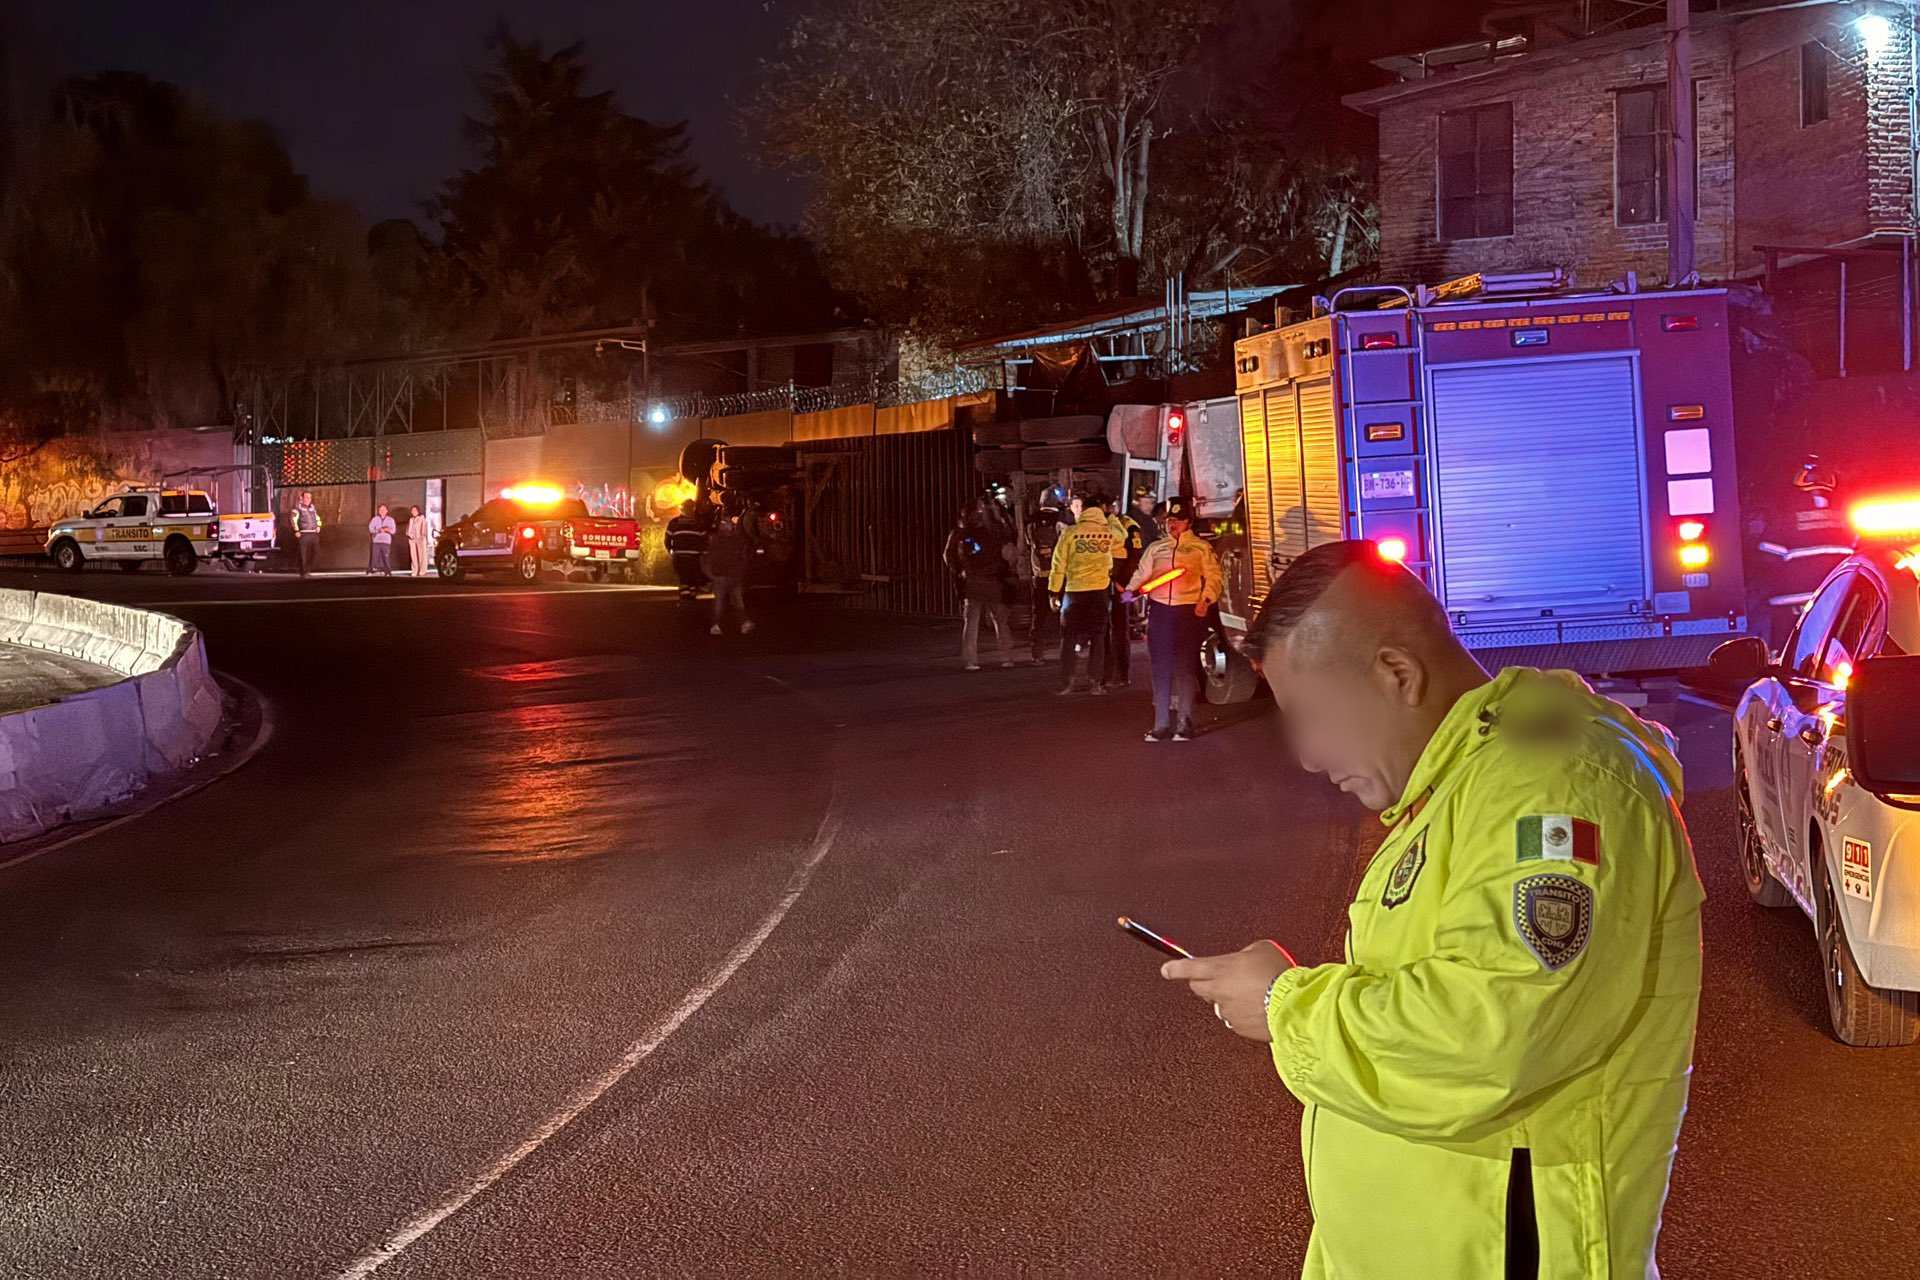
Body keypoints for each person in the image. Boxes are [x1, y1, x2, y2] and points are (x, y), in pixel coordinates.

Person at [1161, 540, 1703, 1279]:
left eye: (1314, 716)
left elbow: (1489, 1036)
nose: (1310, 756)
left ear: (1397, 673)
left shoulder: (1553, 788)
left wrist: (1287, 1006)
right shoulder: (1467, 781)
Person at [1123, 496, 1221, 741]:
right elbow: (1142, 573)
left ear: (1188, 522)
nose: (1172, 524)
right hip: (1160, 611)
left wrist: (1206, 600)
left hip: (1188, 612)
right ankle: (1161, 725)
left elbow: (1214, 577)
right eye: (1169, 520)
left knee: (1185, 667)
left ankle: (1184, 723)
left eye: (1177, 520)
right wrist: (1129, 591)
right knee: (1160, 667)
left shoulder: (1201, 548)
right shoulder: (1156, 548)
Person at [1047, 491, 1121, 694]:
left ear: (1084, 511)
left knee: (1069, 637)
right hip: (1099, 592)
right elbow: (1122, 537)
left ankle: (1067, 682)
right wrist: (1111, 517)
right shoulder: (1108, 532)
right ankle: (1095, 682)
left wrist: (1053, 592)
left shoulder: (1070, 533)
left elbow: (1058, 565)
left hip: (1074, 592)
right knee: (1098, 637)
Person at [944, 499, 1015, 670]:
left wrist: (959, 572)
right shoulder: (994, 531)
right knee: (1000, 621)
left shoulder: (960, 533)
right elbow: (1008, 553)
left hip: (972, 582)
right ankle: (1007, 658)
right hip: (993, 581)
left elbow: (948, 555)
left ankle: (971, 660)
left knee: (971, 623)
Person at [1104, 500, 1150, 688]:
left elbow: (1135, 555)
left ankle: (1121, 674)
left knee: (1119, 629)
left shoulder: (1128, 526)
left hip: (1120, 586)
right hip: (1104, 583)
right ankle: (1106, 674)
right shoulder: (1101, 524)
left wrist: (1123, 584)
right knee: (1104, 630)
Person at [703, 502, 755, 636]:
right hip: (730, 575)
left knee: (721, 602)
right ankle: (742, 624)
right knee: (735, 601)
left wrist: (710, 574)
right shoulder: (734, 540)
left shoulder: (715, 540)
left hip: (723, 575)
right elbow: (742, 557)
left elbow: (708, 558)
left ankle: (717, 625)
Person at [1026, 495, 1066, 664]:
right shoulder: (1060, 525)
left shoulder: (1031, 526)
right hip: (1059, 576)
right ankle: (1067, 651)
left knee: (1039, 616)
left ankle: (1037, 654)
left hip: (1039, 577)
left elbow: (1027, 545)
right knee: (1064, 614)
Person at [291, 491, 322, 577]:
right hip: (303, 534)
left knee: (316, 553)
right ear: (302, 498)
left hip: (313, 533)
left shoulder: (312, 508)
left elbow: (317, 518)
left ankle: (308, 570)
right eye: (306, 497)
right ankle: (303, 572)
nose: (308, 499)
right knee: (302, 554)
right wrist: (296, 531)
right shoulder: (297, 508)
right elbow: (293, 520)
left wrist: (319, 526)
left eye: (310, 497)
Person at [366, 504, 396, 576]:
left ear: (387, 511)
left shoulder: (391, 520)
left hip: (386, 542)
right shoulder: (375, 519)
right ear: (378, 511)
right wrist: (378, 530)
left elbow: (393, 531)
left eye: (384, 509)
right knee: (374, 557)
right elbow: (371, 529)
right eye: (380, 510)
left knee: (386, 557)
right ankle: (371, 571)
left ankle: (387, 571)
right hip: (376, 541)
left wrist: (386, 529)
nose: (382, 511)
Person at [406, 505, 435, 577]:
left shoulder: (422, 518)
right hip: (412, 539)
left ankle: (422, 570)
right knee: (413, 556)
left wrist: (422, 536)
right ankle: (415, 570)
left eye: (415, 510)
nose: (413, 512)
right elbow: (408, 529)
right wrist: (409, 535)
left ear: (418, 511)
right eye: (412, 510)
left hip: (420, 539)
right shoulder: (411, 519)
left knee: (422, 555)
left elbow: (424, 528)